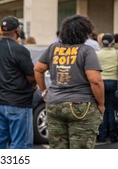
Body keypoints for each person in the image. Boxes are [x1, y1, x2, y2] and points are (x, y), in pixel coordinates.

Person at [34, 15, 104, 149]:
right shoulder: (86, 51)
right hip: (81, 105)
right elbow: (95, 81)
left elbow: (37, 69)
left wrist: (44, 91)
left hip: (54, 105)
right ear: (84, 33)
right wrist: (101, 104)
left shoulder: (53, 48)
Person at [0, 16, 36, 149]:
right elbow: (31, 76)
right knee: (21, 144)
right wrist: (34, 86)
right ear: (17, 30)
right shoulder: (19, 49)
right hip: (18, 103)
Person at [96, 33, 118, 143]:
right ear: (113, 42)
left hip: (101, 82)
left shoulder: (97, 54)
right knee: (111, 108)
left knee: (102, 108)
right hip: (114, 81)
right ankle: (113, 134)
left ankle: (102, 135)